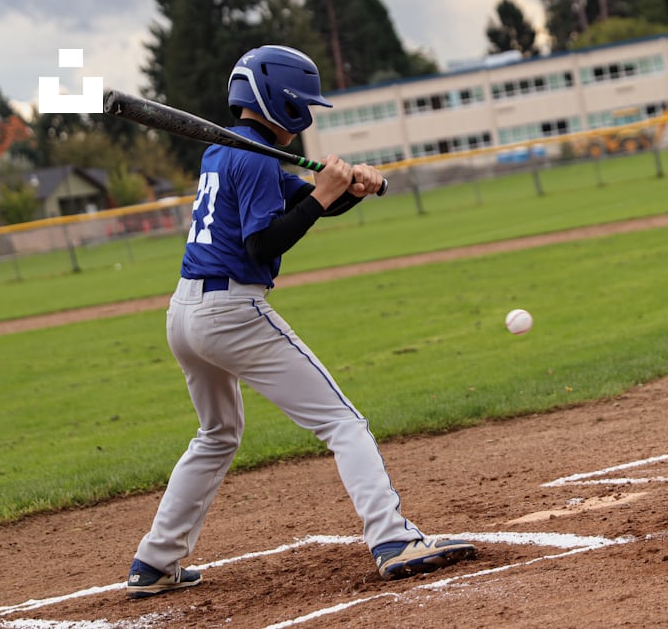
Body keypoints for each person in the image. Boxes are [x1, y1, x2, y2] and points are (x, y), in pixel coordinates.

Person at [124, 45, 475, 599]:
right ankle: (392, 539)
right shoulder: (254, 154)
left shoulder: (226, 150)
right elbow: (263, 242)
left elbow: (307, 202)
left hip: (185, 312)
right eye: (302, 104)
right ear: (282, 102)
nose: (307, 115)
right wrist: (325, 195)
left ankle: (155, 560)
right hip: (231, 312)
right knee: (344, 423)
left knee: (217, 434)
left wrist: (349, 192)